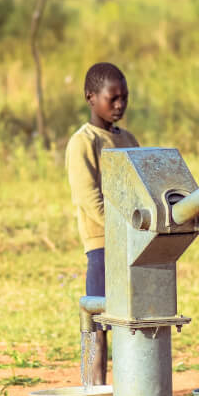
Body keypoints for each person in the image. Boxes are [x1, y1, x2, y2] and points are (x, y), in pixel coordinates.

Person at [65, 62, 140, 300]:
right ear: (91, 98)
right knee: (99, 317)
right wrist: (120, 228)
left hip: (134, 239)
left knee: (129, 317)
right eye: (113, 98)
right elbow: (87, 197)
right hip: (102, 242)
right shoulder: (84, 142)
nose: (120, 105)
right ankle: (92, 340)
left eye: (124, 98)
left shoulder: (128, 139)